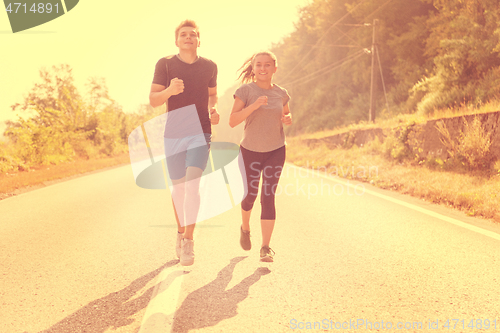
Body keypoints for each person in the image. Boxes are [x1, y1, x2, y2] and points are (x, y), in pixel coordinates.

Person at [149, 19, 219, 266]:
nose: (188, 37)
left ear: (199, 40)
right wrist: (169, 91)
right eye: (183, 34)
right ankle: (180, 232)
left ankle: (189, 240)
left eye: (192, 34)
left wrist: (214, 109)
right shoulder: (165, 64)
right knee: (178, 188)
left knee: (193, 186)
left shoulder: (210, 66)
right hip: (174, 133)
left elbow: (212, 95)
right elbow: (154, 100)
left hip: (201, 131)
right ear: (176, 40)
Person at [229, 51, 292, 262]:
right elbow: (232, 121)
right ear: (253, 68)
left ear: (275, 68)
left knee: (268, 195)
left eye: (267, 65)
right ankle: (245, 228)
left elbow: (286, 113)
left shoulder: (281, 93)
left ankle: (266, 247)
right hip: (250, 150)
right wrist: (254, 105)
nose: (263, 69)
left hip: (276, 149)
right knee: (250, 195)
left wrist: (288, 118)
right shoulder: (245, 91)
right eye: (259, 65)